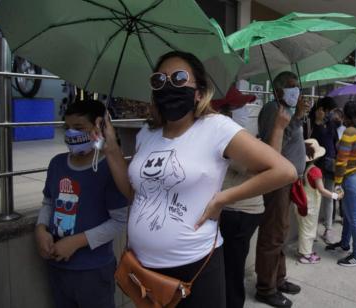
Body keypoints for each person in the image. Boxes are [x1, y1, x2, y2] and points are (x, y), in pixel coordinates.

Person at [102, 51, 297, 308]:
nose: (169, 86)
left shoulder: (216, 128)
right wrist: (112, 151)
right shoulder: (146, 134)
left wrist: (223, 198)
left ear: (198, 92)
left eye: (179, 78)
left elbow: (284, 170)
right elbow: (133, 194)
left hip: (194, 268)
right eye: (159, 80)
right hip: (144, 269)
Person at [34, 100, 128, 308]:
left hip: (93, 270)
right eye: (67, 128)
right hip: (57, 266)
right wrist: (41, 229)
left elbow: (119, 221)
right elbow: (49, 201)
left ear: (98, 127)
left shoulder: (110, 170)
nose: (71, 134)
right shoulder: (57, 164)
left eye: (78, 128)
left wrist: (76, 242)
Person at [255, 71, 310, 307]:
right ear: (277, 90)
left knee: (282, 232)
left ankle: (278, 278)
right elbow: (271, 150)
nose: (295, 90)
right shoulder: (272, 111)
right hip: (277, 182)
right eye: (290, 86)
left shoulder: (288, 111)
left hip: (289, 182)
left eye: (297, 86)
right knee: (273, 232)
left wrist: (298, 117)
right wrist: (294, 119)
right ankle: (266, 287)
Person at [212, 86, 265, 308]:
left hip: (242, 212)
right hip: (236, 212)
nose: (245, 110)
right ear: (226, 111)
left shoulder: (236, 134)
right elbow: (260, 167)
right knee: (232, 272)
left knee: (232, 270)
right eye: (240, 106)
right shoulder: (228, 136)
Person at [326, 100, 356, 267]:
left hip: (350, 179)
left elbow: (341, 161)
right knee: (348, 213)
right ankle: (345, 243)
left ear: (346, 115)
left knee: (353, 217)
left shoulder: (349, 132)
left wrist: (337, 183)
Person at [294, 139, 343, 264]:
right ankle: (306, 255)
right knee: (309, 231)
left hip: (300, 204)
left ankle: (303, 250)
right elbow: (321, 190)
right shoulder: (315, 171)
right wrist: (335, 196)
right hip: (310, 206)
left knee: (303, 229)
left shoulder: (300, 168)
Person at [309, 97, 339, 243]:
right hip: (317, 164)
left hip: (331, 165)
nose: (332, 114)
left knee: (329, 197)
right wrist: (318, 122)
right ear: (322, 109)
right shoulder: (311, 123)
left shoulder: (332, 124)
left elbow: (335, 142)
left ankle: (328, 228)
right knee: (316, 197)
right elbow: (313, 141)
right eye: (330, 110)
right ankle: (312, 229)